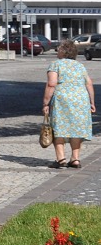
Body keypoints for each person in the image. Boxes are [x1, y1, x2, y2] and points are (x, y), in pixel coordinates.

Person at [42, 39, 95, 168]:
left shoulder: (56, 64)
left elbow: (51, 84)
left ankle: (61, 160)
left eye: (59, 48)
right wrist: (92, 102)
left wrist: (45, 103)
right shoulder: (80, 66)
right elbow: (89, 83)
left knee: (59, 127)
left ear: (63, 51)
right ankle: (75, 159)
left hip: (62, 100)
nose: (57, 50)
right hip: (81, 100)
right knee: (76, 129)